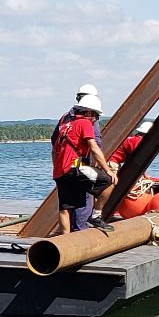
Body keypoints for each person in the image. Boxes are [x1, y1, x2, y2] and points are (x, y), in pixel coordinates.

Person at [52, 94, 116, 233]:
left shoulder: (66, 126)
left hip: (60, 172)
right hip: (75, 167)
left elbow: (54, 151)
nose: (96, 120)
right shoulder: (85, 123)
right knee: (109, 182)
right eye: (96, 116)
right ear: (87, 112)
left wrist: (57, 171)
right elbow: (94, 148)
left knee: (65, 208)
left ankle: (65, 241)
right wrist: (108, 170)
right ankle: (96, 216)